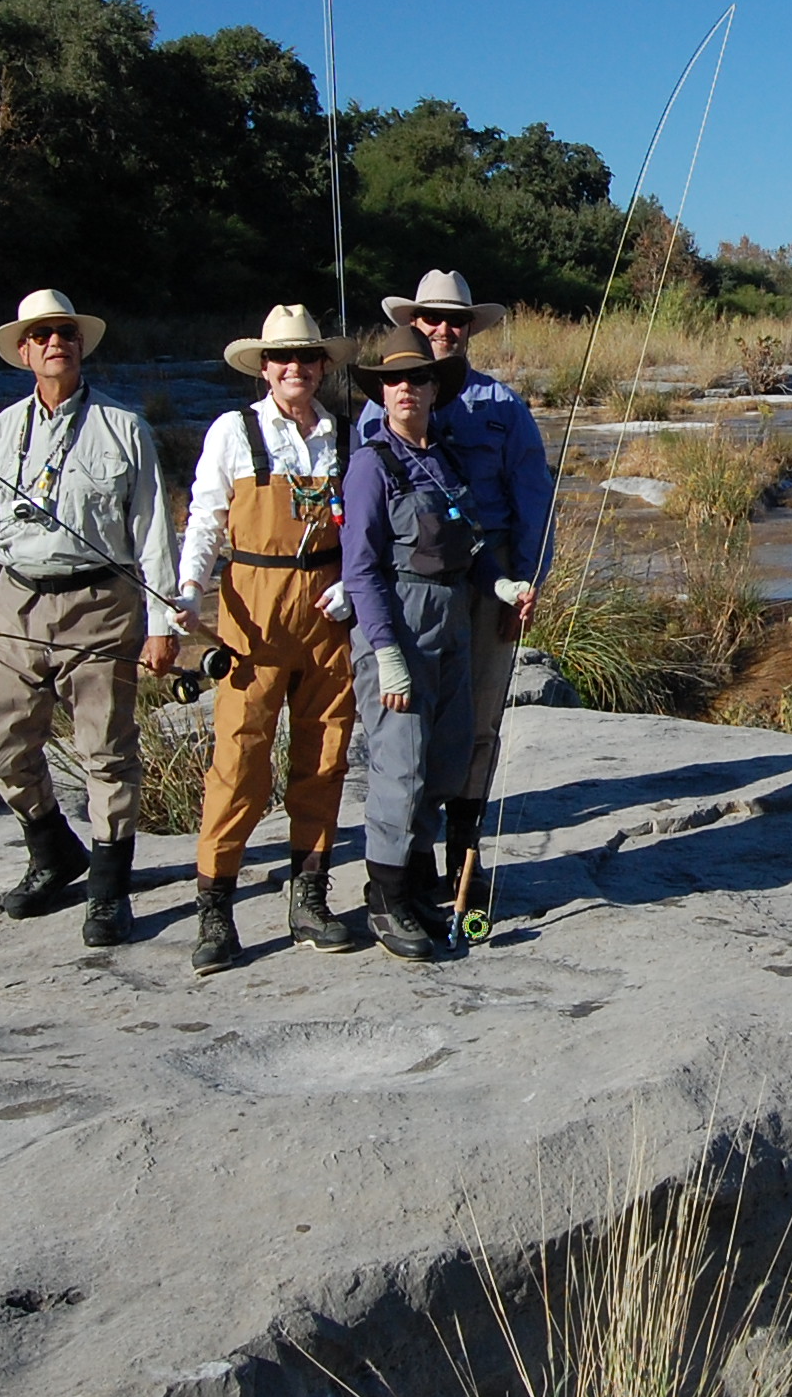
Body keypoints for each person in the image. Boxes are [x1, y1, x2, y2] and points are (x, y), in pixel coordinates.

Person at [0, 289, 181, 944]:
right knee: (1, 744)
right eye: (44, 334)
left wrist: (161, 622)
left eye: (67, 334)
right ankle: (53, 852)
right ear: (25, 351)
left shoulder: (124, 426)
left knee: (106, 748)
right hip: (15, 601)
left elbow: (153, 528)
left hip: (101, 604)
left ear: (81, 347)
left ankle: (108, 889)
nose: (57, 343)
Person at [172, 305, 362, 975]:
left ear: (321, 366)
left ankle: (310, 896)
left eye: (307, 359)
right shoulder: (234, 431)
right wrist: (189, 587)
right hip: (251, 613)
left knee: (326, 755)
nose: (295, 369)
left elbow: (366, 522)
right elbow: (205, 516)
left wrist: (356, 583)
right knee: (241, 758)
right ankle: (215, 907)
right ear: (263, 366)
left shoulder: (346, 433)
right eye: (282, 358)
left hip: (329, 614)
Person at [371, 269, 556, 914]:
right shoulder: (381, 402)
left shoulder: (503, 407)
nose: (443, 330)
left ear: (471, 329)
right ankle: (408, 865)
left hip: (491, 575)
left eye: (456, 321)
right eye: (432, 319)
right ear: (414, 323)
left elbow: (534, 496)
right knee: (409, 725)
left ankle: (464, 862)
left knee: (477, 721)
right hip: (410, 582)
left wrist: (526, 581)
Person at [342, 345, 510, 959]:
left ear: (434, 390)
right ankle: (384, 900)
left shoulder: (444, 458)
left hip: (454, 622)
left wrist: (501, 582)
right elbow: (360, 571)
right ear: (381, 395)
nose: (406, 389)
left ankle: (415, 882)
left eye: (416, 379)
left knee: (443, 758)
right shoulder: (370, 466)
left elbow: (474, 544)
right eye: (393, 383)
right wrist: (384, 650)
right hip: (400, 625)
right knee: (400, 762)